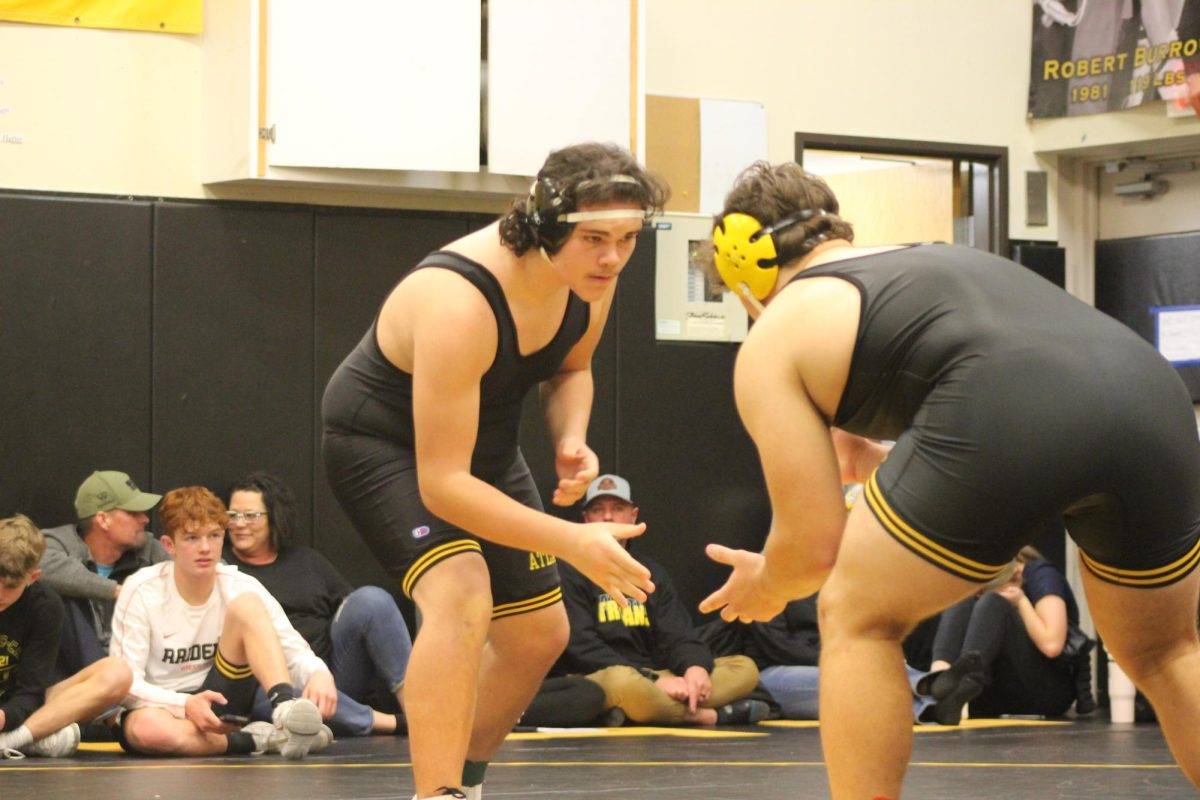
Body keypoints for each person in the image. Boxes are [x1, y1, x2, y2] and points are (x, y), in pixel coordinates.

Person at [696, 161, 1200, 799]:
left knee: (856, 616)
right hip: (1151, 393)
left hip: (1004, 402)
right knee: (1167, 653)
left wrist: (767, 586)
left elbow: (811, 549)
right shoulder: (931, 260)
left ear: (742, 268)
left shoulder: (775, 333)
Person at [322, 142, 667, 800]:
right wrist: (571, 539)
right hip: (380, 444)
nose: (613, 257)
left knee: (540, 632)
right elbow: (442, 485)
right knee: (461, 591)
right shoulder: (459, 300)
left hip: (481, 441)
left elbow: (572, 366)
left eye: (628, 238)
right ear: (543, 222)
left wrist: (571, 437)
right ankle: (437, 793)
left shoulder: (592, 278)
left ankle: (466, 784)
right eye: (595, 238)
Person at [109, 487, 334, 759]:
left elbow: (290, 644)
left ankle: (285, 711)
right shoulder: (141, 589)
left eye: (214, 536)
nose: (205, 548)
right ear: (169, 545)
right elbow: (126, 684)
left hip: (223, 702)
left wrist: (318, 673)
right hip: (166, 707)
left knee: (248, 605)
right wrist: (185, 704)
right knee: (147, 731)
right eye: (192, 538)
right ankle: (264, 740)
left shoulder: (240, 584)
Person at [555, 474, 767, 727]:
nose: (608, 517)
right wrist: (653, 681)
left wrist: (694, 669)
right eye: (598, 510)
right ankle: (706, 716)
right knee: (622, 684)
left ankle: (646, 712)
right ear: (587, 519)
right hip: (608, 676)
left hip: (658, 676)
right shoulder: (568, 571)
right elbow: (583, 649)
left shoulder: (650, 571)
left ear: (633, 516)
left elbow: (677, 634)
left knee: (743, 667)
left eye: (618, 509)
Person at [223, 472, 412, 737]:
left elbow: (353, 612)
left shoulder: (307, 561)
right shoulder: (224, 571)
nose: (239, 524)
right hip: (275, 689)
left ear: (275, 517)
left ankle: (418, 709)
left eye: (251, 516)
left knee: (371, 600)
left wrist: (321, 675)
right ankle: (394, 724)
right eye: (232, 515)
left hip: (331, 679)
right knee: (273, 699)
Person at [0, 514, 132, 759]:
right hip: (20, 712)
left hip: (21, 708)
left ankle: (10, 741)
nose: (0, 593)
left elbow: (30, 691)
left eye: (10, 586)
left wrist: (4, 717)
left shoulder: (44, 605)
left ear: (33, 578)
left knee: (117, 673)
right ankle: (32, 741)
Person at [920, 546, 1095, 725]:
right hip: (994, 692)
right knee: (961, 599)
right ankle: (939, 682)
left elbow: (1052, 645)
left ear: (1016, 576)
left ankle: (961, 683)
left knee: (993, 603)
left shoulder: (1042, 575)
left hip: (1045, 692)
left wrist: (1021, 601)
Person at [38, 470, 167, 679]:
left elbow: (203, 566)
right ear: (103, 519)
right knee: (62, 597)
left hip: (138, 673)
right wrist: (118, 591)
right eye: (133, 513)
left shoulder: (148, 548)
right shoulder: (59, 542)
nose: (145, 519)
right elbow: (37, 564)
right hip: (73, 679)